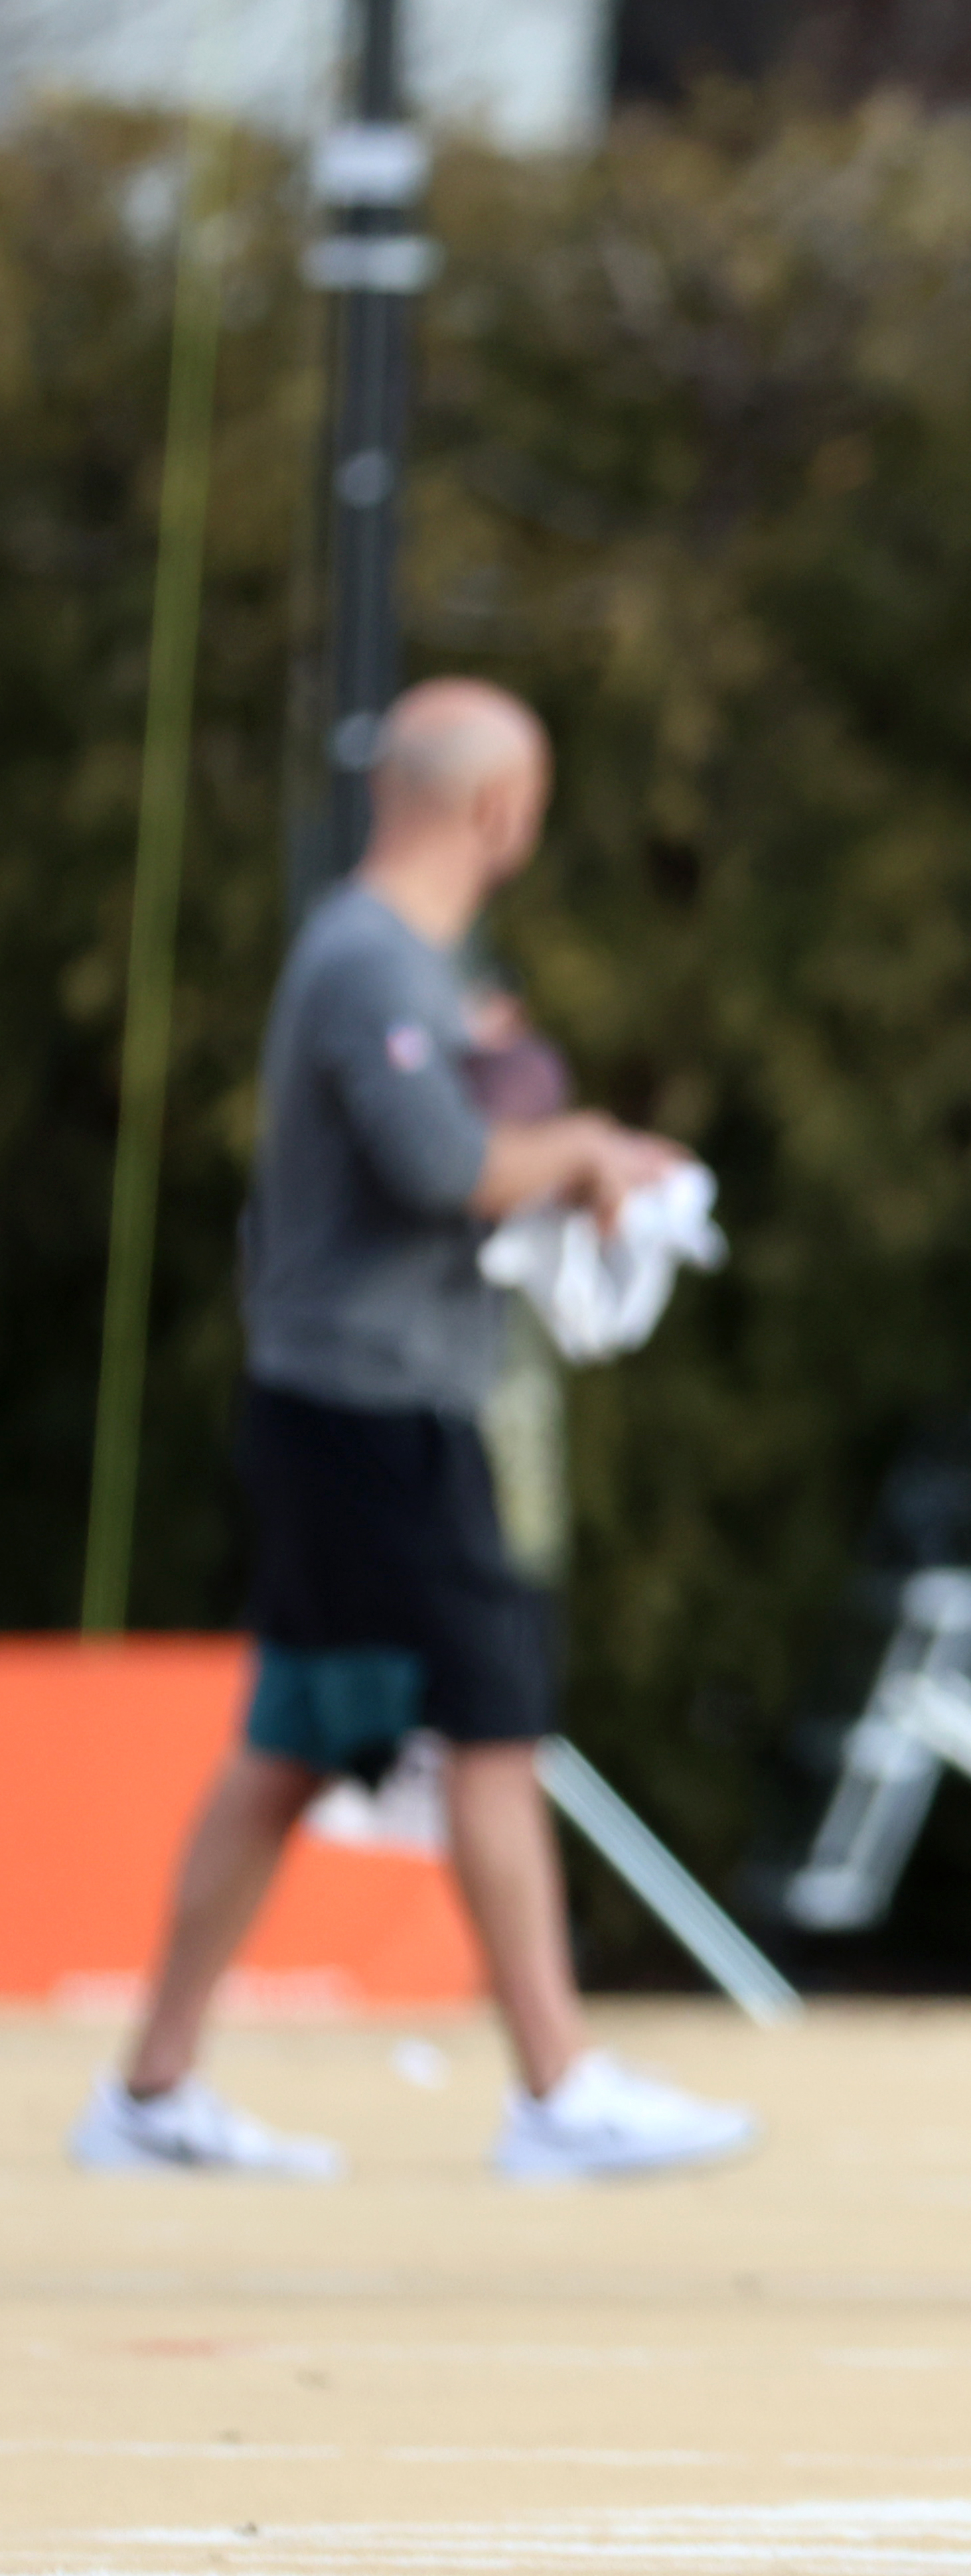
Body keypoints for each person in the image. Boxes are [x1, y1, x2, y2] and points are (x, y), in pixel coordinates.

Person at [72, 679, 757, 2187]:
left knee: (294, 1746)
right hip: (370, 1408)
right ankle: (558, 2085)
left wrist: (562, 1135)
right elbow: (438, 1160)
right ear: (494, 808)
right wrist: (582, 1149)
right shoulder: (369, 954)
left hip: (363, 1399)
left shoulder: (425, 962)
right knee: (494, 1721)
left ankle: (148, 2091)